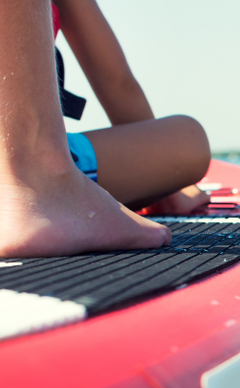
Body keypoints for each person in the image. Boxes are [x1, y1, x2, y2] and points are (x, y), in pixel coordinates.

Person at [0, 0, 211, 258]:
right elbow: (117, 82)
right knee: (187, 142)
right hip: (18, 175)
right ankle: (42, 178)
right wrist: (166, 190)